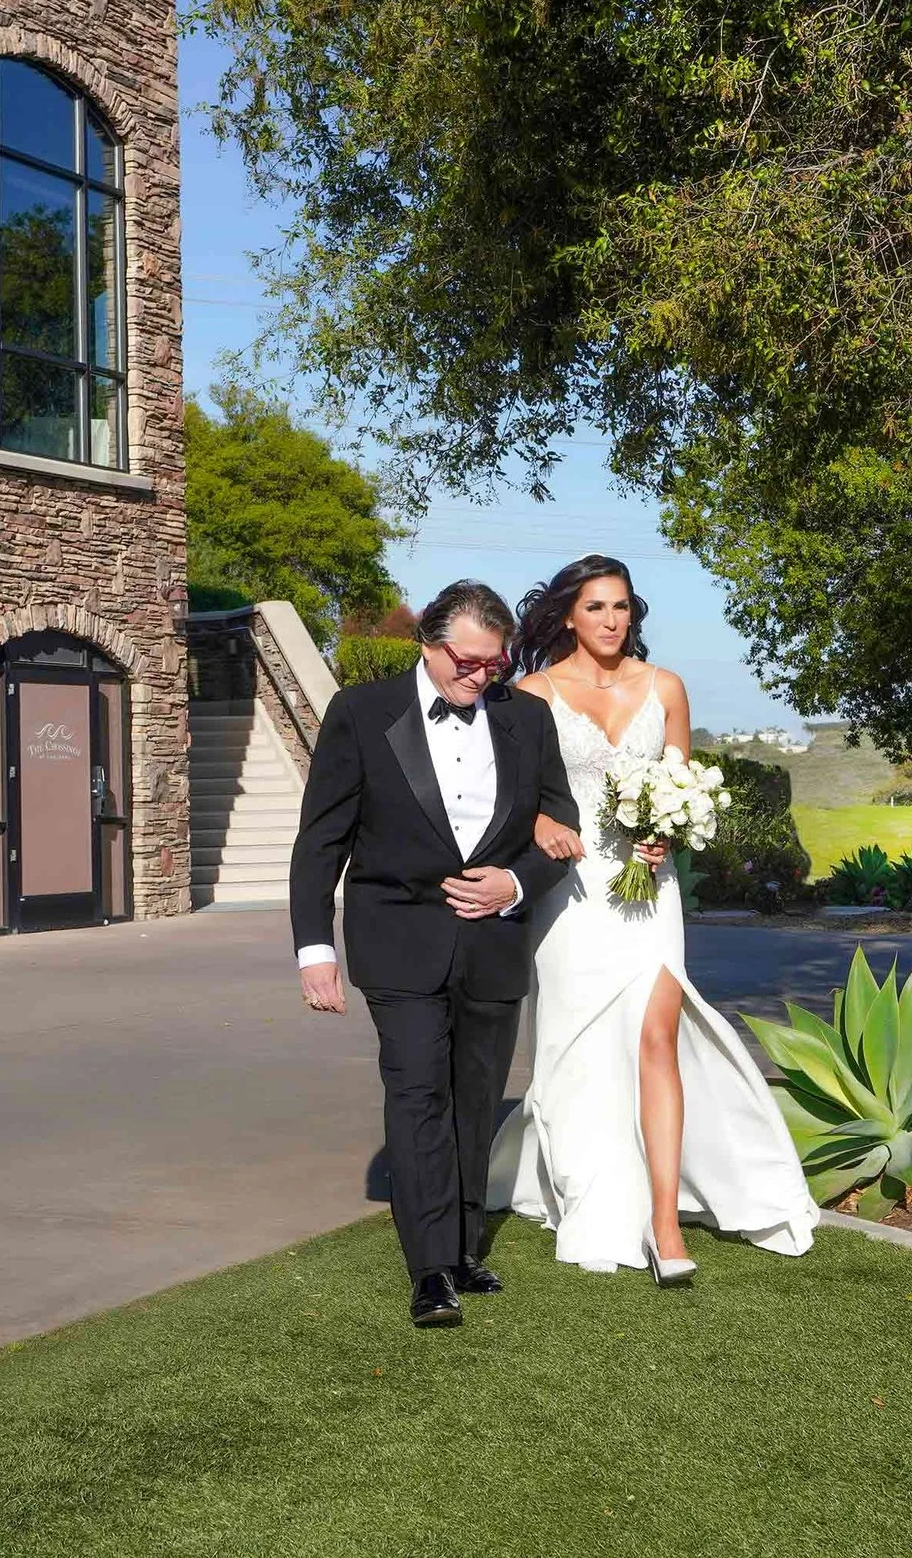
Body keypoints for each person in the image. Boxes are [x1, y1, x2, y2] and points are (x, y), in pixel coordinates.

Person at [487, 555, 818, 1283]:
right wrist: (540, 822)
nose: (612, 620)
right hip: (571, 893)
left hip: (650, 890)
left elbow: (683, 787)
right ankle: (594, 1200)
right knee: (576, 1050)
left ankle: (665, 1223)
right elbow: (507, 795)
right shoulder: (531, 694)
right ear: (568, 615)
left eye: (622, 606)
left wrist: (670, 832)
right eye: (596, 607)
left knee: (657, 1036)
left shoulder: (665, 687)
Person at [290, 580, 580, 1327]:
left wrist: (515, 883)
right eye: (468, 661)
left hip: (495, 944)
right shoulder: (360, 713)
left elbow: (562, 824)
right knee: (419, 1092)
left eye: (495, 663)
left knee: (476, 1099)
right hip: (397, 941)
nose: (482, 676)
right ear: (428, 641)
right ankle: (429, 1272)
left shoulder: (528, 718)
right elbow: (321, 840)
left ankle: (463, 1249)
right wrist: (314, 949)